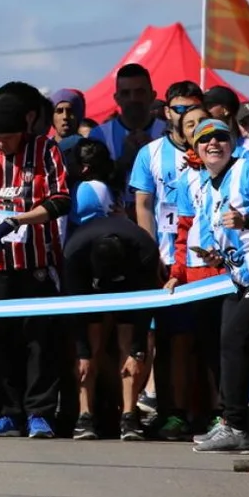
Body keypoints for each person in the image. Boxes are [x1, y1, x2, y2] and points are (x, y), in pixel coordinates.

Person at [171, 119, 249, 453]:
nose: (213, 143)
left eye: (221, 137)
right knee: (233, 343)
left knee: (237, 339)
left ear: (232, 143)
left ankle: (241, 424)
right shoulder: (203, 185)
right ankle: (239, 424)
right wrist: (218, 256)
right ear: (196, 149)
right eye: (205, 139)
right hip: (240, 278)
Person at [0, 94, 71, 439]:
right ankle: (8, 412)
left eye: (8, 137)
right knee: (2, 340)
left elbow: (61, 200)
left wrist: (19, 221)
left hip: (38, 261)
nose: (1, 143)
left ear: (24, 129)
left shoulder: (46, 150)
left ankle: (40, 413)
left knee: (39, 341)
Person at [127, 81, 205, 439]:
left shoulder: (212, 145)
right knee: (169, 338)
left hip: (206, 258)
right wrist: (151, 251)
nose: (186, 116)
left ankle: (208, 410)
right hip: (166, 259)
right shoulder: (151, 153)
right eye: (179, 109)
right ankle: (170, 411)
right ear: (166, 112)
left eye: (192, 108)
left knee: (205, 338)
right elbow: (143, 204)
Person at [60, 184, 158, 442]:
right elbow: (75, 311)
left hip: (131, 285)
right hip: (86, 288)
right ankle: (85, 414)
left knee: (129, 345)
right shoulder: (74, 253)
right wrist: (82, 352)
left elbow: (144, 308)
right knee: (88, 348)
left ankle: (128, 414)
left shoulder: (144, 250)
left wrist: (137, 349)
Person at [88, 64, 167, 180]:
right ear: (117, 99)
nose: (133, 99)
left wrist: (155, 155)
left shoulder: (168, 133)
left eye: (139, 92)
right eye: (126, 93)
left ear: (152, 96)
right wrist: (123, 161)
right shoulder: (100, 135)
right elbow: (94, 182)